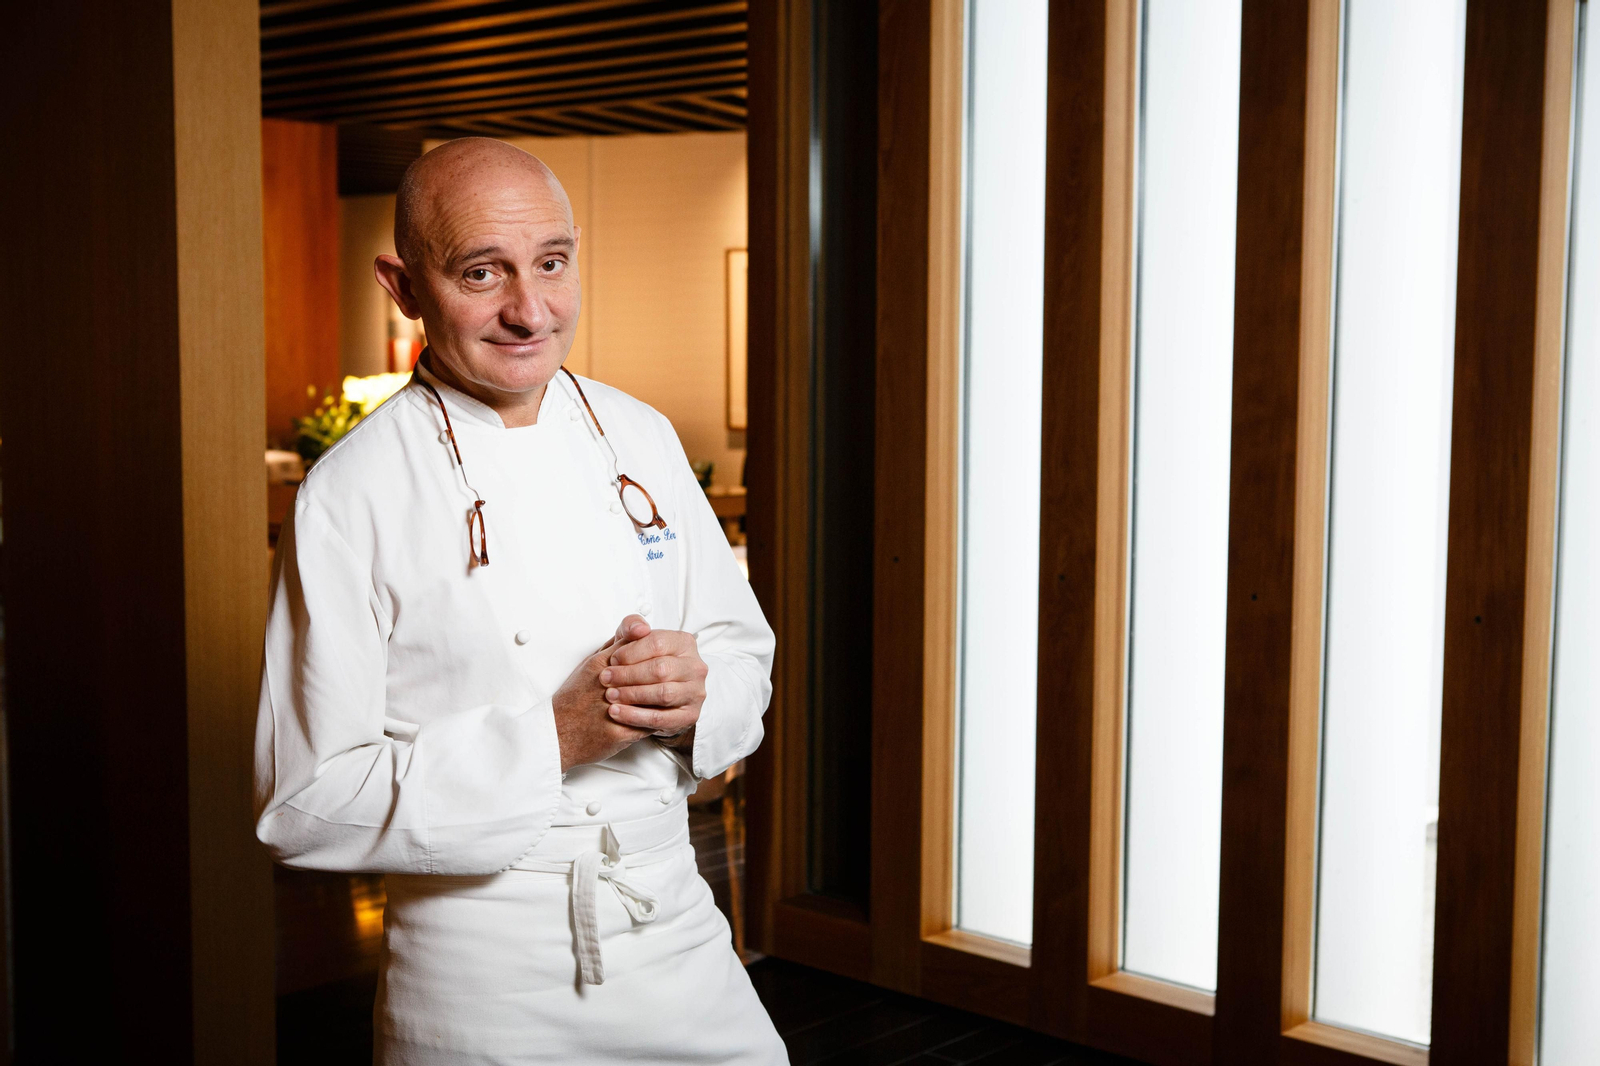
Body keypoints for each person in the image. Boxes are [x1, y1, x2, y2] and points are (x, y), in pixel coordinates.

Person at [253, 137, 787, 1065]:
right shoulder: (350, 492)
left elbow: (744, 658)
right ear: (403, 286)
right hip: (481, 975)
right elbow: (303, 805)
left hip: (677, 930)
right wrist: (555, 738)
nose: (529, 310)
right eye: (480, 272)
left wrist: (696, 698)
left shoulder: (641, 436)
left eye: (551, 263)